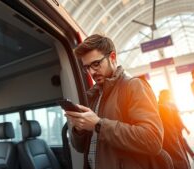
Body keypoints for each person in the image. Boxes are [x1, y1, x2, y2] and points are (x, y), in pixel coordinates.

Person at [65, 34, 164, 169]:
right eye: (87, 67)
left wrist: (98, 125)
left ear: (112, 57)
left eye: (96, 64)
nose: (92, 72)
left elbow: (153, 140)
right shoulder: (93, 97)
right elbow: (81, 148)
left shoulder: (133, 86)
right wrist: (79, 129)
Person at [158, 90, 194, 165]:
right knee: (180, 145)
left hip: (175, 129)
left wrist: (185, 128)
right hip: (171, 131)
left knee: (181, 143)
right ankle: (191, 156)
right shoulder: (161, 106)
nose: (169, 97)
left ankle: (191, 156)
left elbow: (178, 118)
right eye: (168, 95)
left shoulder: (168, 105)